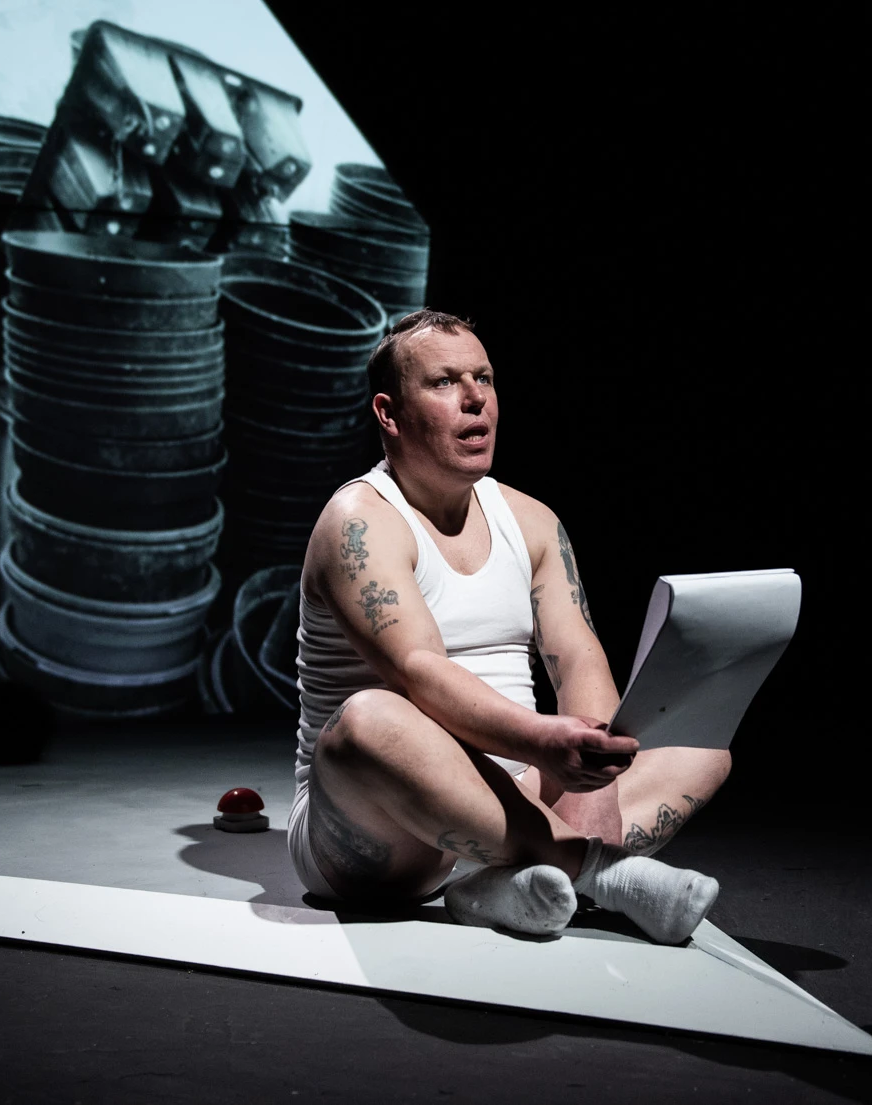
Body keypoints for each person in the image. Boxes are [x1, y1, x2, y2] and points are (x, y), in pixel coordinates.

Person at [288, 309, 732, 943]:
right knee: (369, 718)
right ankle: (600, 871)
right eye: (445, 382)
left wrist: (591, 778)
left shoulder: (531, 520)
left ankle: (498, 882)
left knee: (701, 747)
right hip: (382, 830)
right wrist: (545, 743)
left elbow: (578, 659)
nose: (475, 398)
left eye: (485, 378)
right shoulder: (358, 521)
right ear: (389, 413)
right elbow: (419, 671)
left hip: (518, 793)